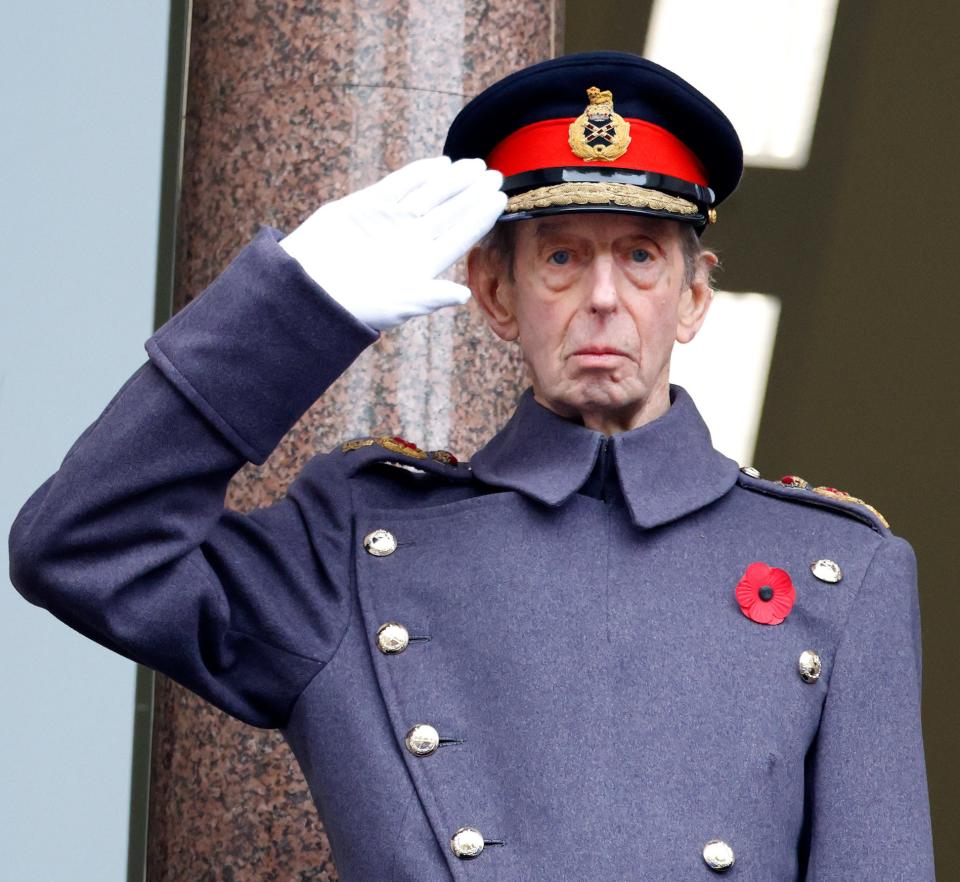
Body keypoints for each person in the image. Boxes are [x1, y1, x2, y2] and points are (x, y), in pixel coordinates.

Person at [8, 51, 935, 879]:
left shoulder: (843, 573)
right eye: (563, 257)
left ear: (693, 299)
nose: (604, 299)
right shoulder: (356, 545)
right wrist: (289, 313)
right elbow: (81, 545)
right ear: (497, 293)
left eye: (642, 258)